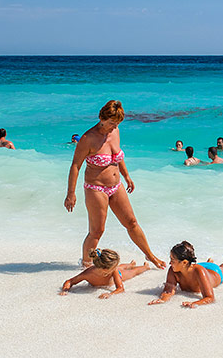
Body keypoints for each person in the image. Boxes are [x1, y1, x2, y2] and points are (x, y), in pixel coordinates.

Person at [64, 100, 165, 268]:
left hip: (116, 185)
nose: (114, 127)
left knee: (131, 222)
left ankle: (150, 256)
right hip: (96, 188)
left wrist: (127, 176)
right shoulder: (88, 139)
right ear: (101, 118)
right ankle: (86, 265)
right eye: (111, 123)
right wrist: (71, 193)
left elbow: (118, 156)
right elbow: (75, 166)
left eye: (117, 124)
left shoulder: (115, 131)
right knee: (97, 231)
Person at [148, 241, 223, 308]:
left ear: (184, 262)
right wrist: (163, 299)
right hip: (197, 267)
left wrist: (195, 303)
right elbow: (168, 290)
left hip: (215, 271)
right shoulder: (173, 270)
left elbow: (210, 298)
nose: (170, 263)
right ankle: (209, 262)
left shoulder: (199, 272)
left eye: (173, 260)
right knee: (202, 267)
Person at [59, 248, 149, 299]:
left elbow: (121, 288)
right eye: (114, 266)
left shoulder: (113, 270)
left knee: (133, 272)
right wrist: (65, 290)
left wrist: (110, 294)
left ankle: (144, 266)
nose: (115, 268)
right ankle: (130, 264)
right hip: (114, 271)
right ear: (105, 269)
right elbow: (69, 281)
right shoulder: (87, 274)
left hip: (118, 275)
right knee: (120, 268)